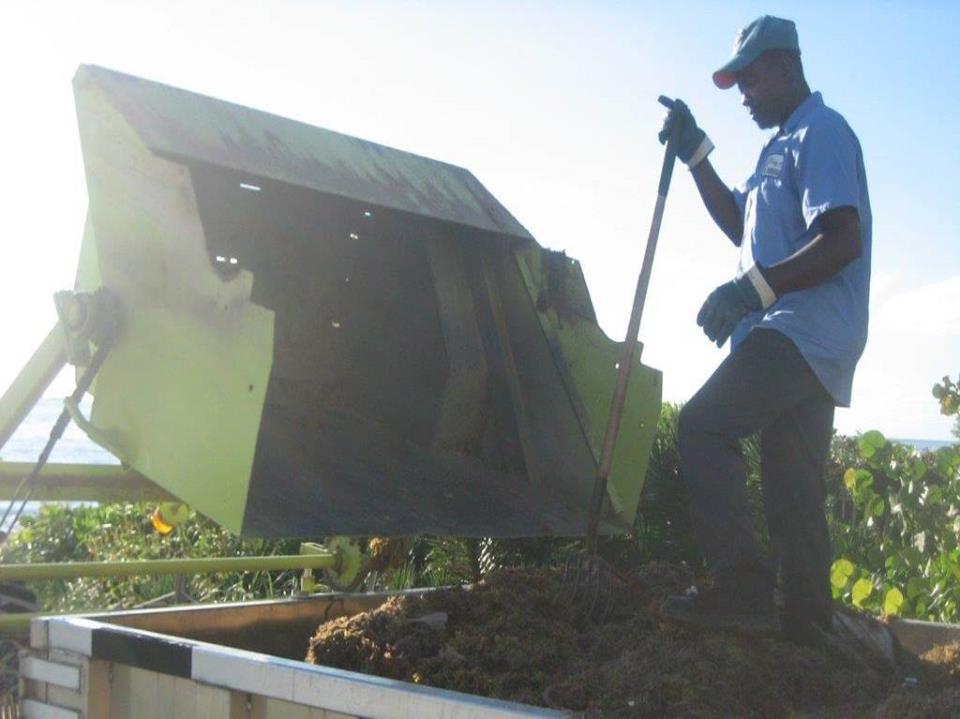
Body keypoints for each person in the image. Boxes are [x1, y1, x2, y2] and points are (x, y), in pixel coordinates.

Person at [657, 15, 872, 645]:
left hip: (801, 329)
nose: (744, 96)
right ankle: (808, 628)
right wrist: (696, 153)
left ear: (784, 66)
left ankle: (743, 591)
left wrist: (751, 291)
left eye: (749, 80)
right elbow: (742, 231)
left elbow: (842, 239)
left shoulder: (821, 132)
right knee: (792, 487)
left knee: (701, 426)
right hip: (808, 339)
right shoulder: (778, 147)